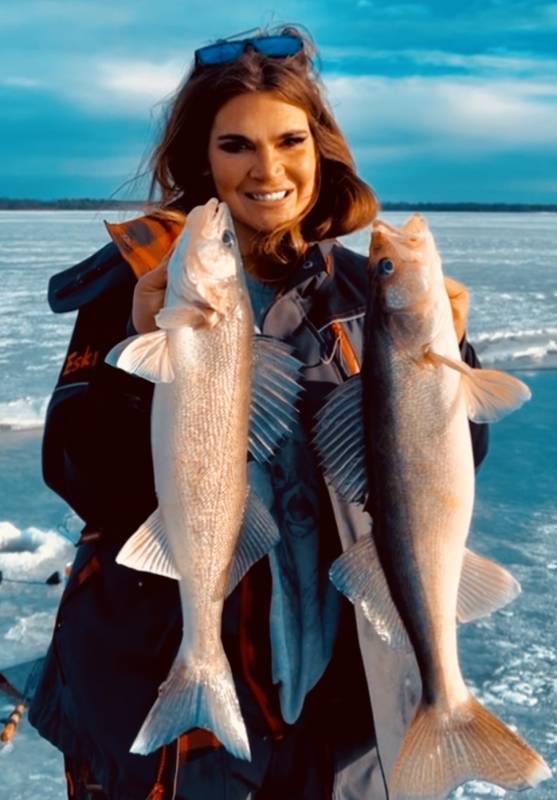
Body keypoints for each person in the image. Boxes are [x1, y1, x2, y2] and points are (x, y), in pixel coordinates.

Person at [29, 26, 488, 800]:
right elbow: (81, 477)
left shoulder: (362, 295)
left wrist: (448, 364)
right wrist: (139, 356)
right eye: (235, 144)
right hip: (167, 689)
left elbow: (440, 474)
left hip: (345, 700)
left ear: (322, 149)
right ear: (200, 160)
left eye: (290, 140)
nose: (267, 169)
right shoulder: (140, 288)